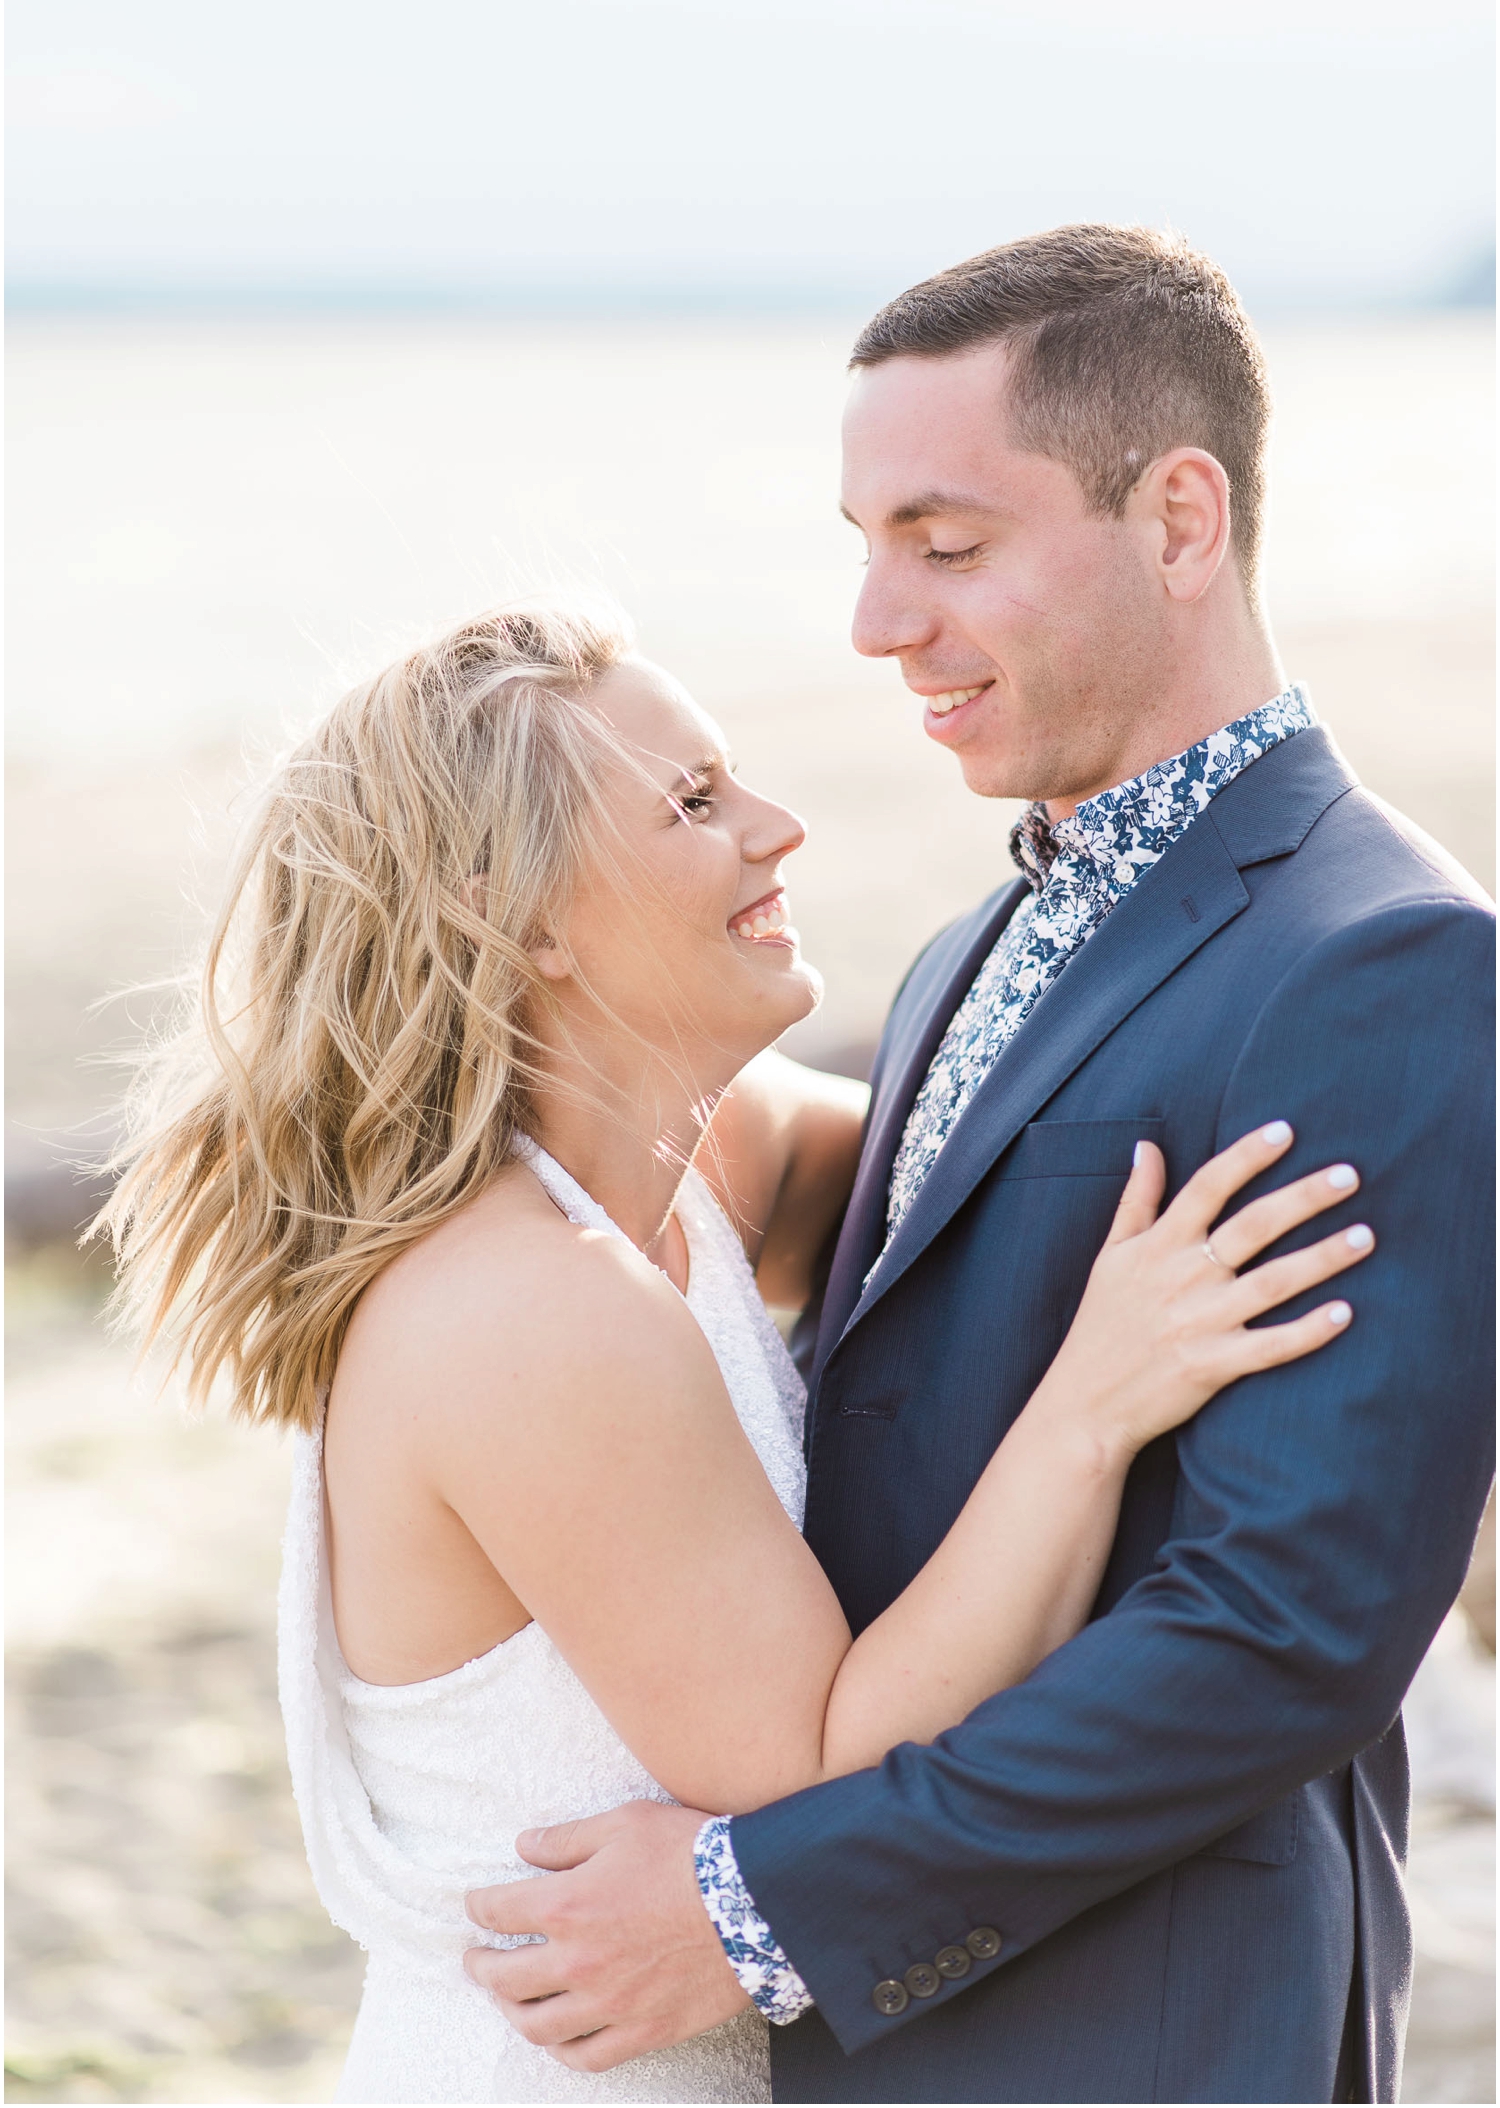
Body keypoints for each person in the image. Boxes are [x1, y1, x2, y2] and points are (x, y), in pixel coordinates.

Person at [459, 228, 1497, 2105]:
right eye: (864, 547)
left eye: (947, 547)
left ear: (1182, 519)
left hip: (1150, 2034)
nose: (876, 623)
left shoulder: (1386, 961)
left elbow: (1285, 1633)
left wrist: (758, 1905)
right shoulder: (958, 954)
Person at [104, 591, 1370, 2105]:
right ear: (522, 922)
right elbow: (822, 1767)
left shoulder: (699, 1165)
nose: (779, 828)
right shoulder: (531, 1309)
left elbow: (993, 1185)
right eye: (695, 804)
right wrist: (1094, 1406)